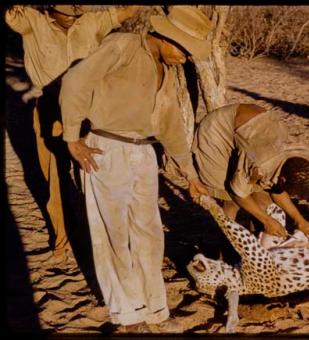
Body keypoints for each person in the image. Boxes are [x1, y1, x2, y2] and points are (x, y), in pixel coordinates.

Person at [58, 6, 210, 331]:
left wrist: (191, 175)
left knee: (150, 235)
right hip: (106, 148)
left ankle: (155, 310)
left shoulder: (166, 72)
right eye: (184, 51)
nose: (185, 59)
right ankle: (127, 315)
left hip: (144, 154)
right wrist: (72, 138)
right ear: (169, 37)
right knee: (112, 235)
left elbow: (171, 127)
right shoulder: (124, 45)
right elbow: (75, 81)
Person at [5, 4, 142, 263]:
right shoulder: (31, 20)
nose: (70, 17)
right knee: (55, 179)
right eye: (64, 11)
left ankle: (102, 241)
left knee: (94, 173)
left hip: (89, 110)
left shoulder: (92, 21)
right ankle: (61, 241)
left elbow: (126, 12)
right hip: (50, 109)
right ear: (49, 9)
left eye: (75, 12)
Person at [192, 103, 309, 238]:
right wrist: (267, 220)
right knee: (229, 197)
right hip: (216, 133)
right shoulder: (261, 163)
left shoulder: (302, 157)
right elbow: (237, 193)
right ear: (283, 178)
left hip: (253, 129)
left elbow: (275, 188)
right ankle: (226, 243)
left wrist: (299, 219)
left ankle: (255, 232)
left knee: (261, 196)